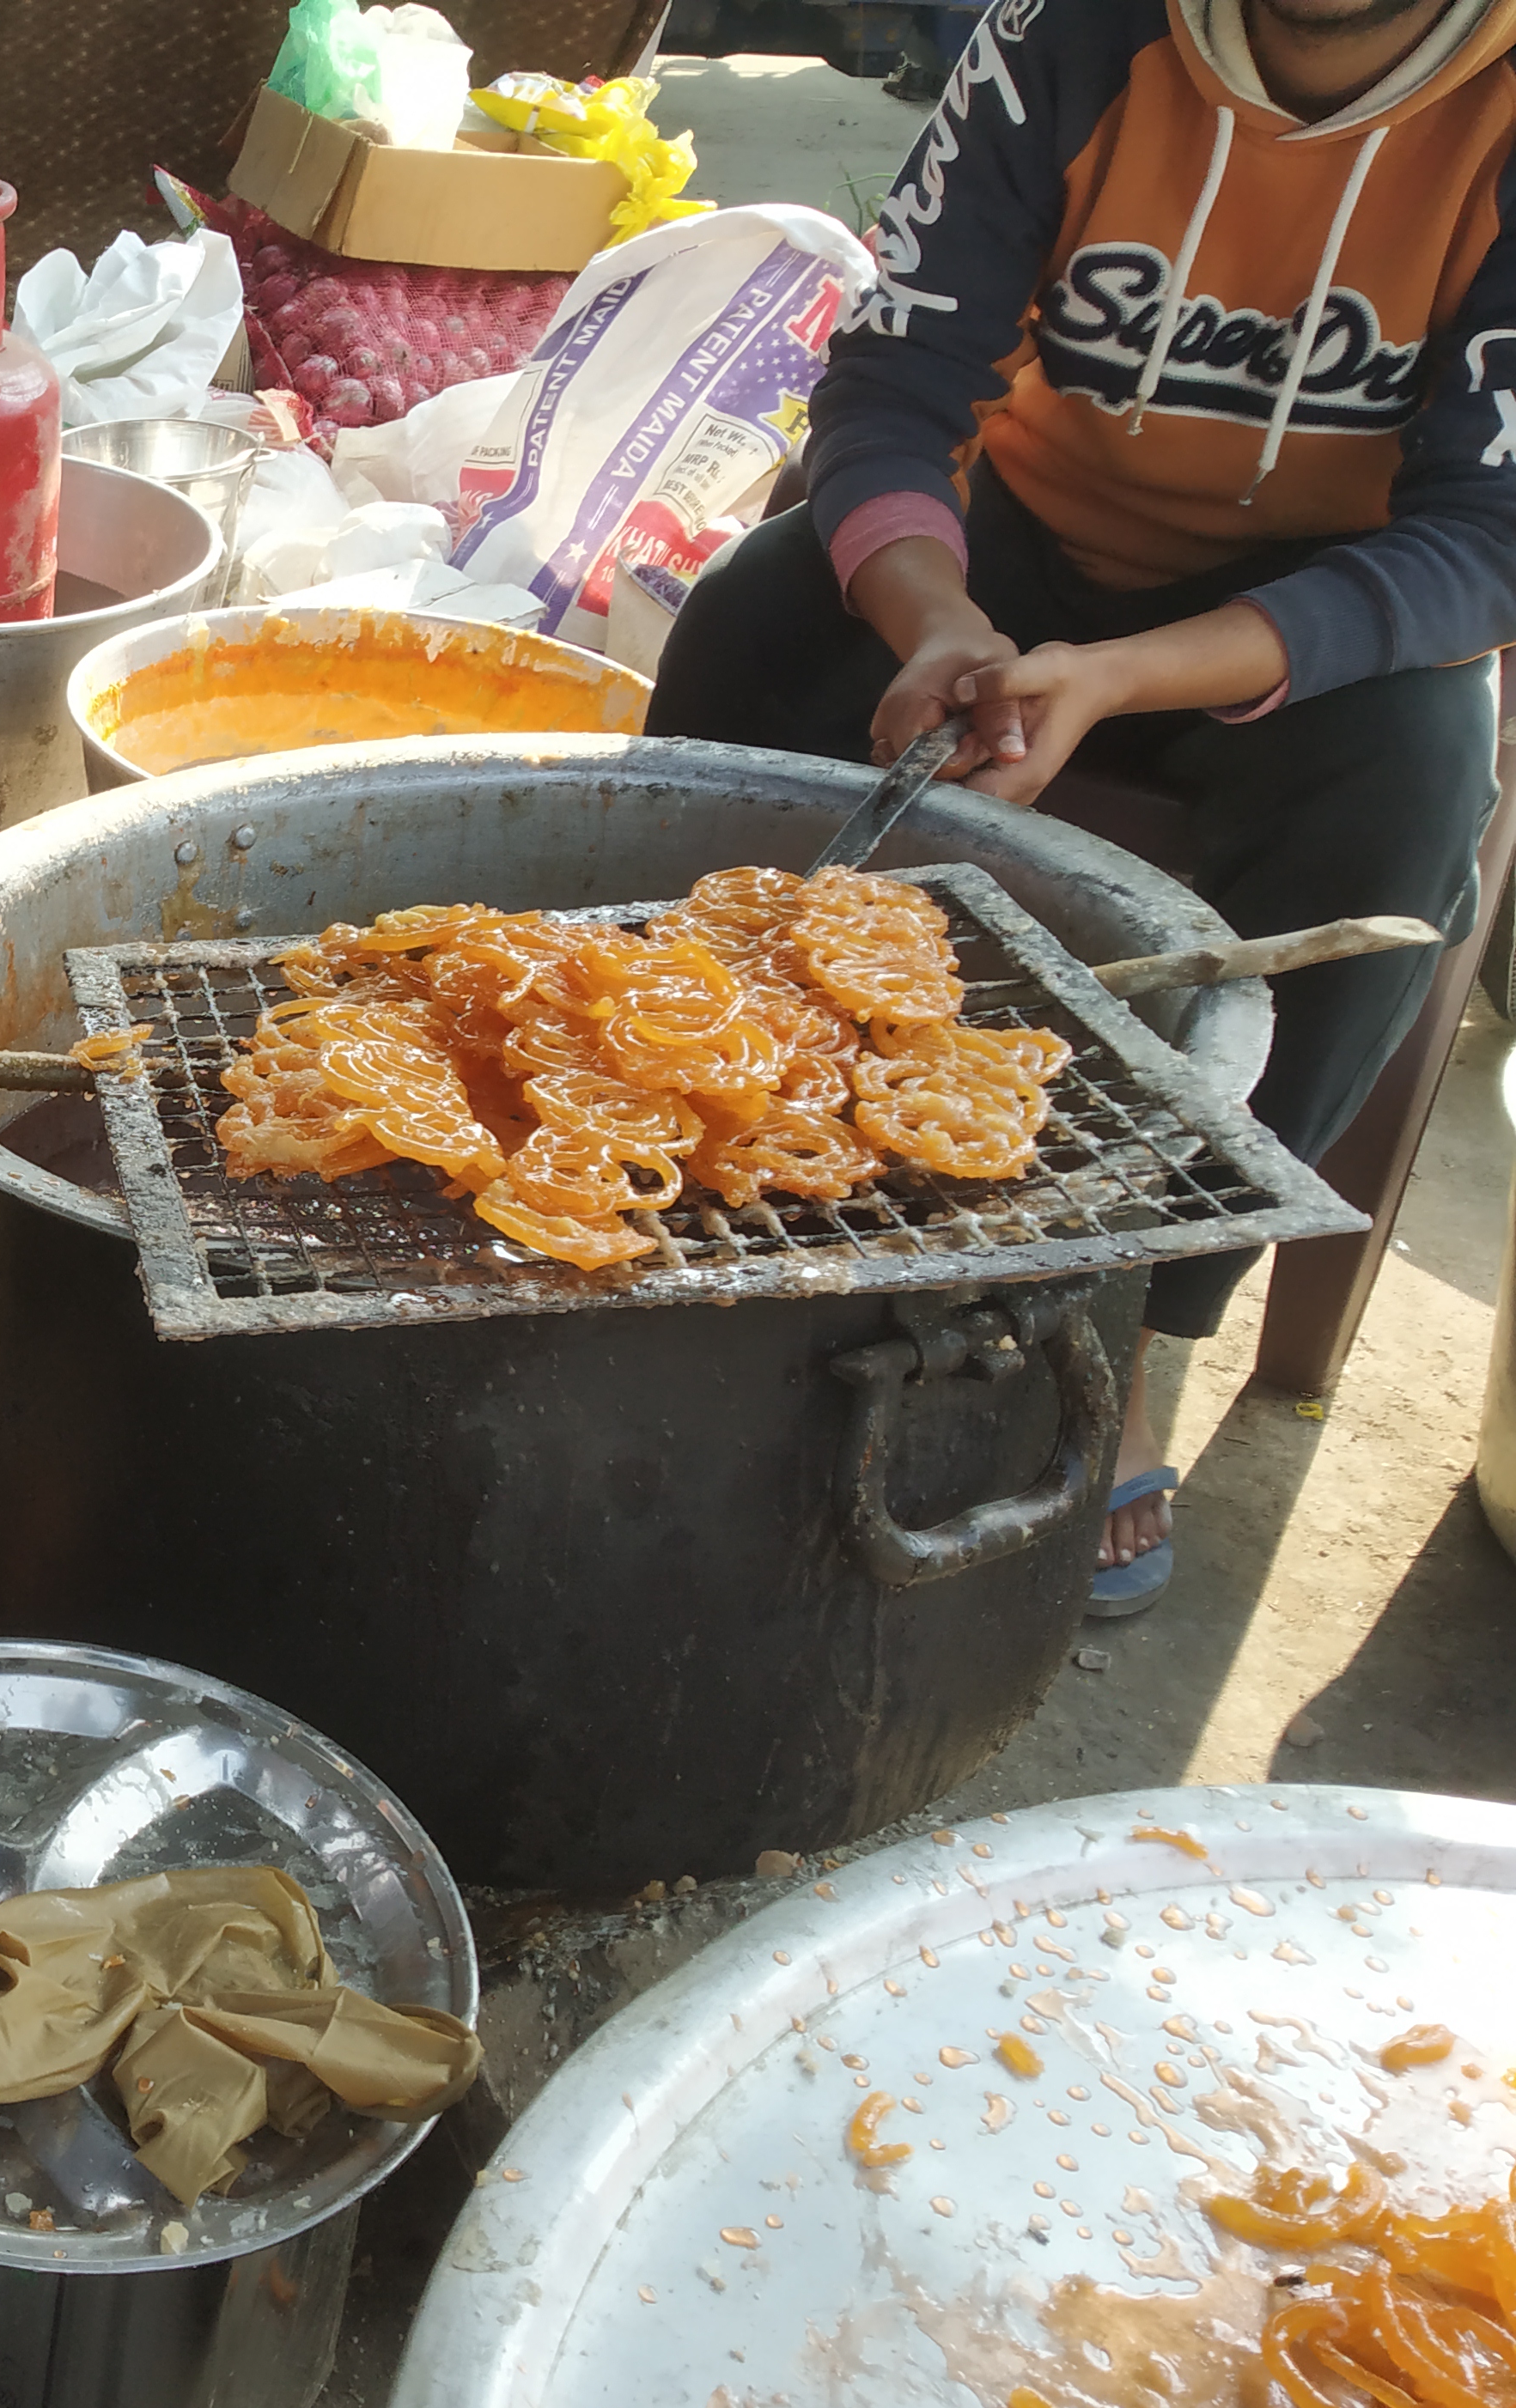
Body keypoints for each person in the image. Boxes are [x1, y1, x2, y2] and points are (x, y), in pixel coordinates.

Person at [649, 0, 1516, 1614]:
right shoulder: (1069, 33)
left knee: (1410, 795)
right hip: (1023, 534)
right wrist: (941, 624)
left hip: (1327, 607)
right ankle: (675, 1125)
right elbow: (898, 381)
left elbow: (1488, 537)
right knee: (755, 620)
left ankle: (1125, 1322)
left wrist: (1125, 676)